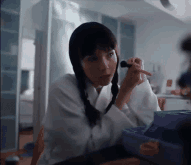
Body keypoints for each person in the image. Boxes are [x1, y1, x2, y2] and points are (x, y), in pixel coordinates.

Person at [37, 22, 161, 165]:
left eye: (110, 54)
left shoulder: (114, 89)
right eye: (92, 58)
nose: (104, 66)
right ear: (78, 64)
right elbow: (84, 150)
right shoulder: (62, 89)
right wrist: (123, 95)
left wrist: (140, 83)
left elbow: (152, 127)